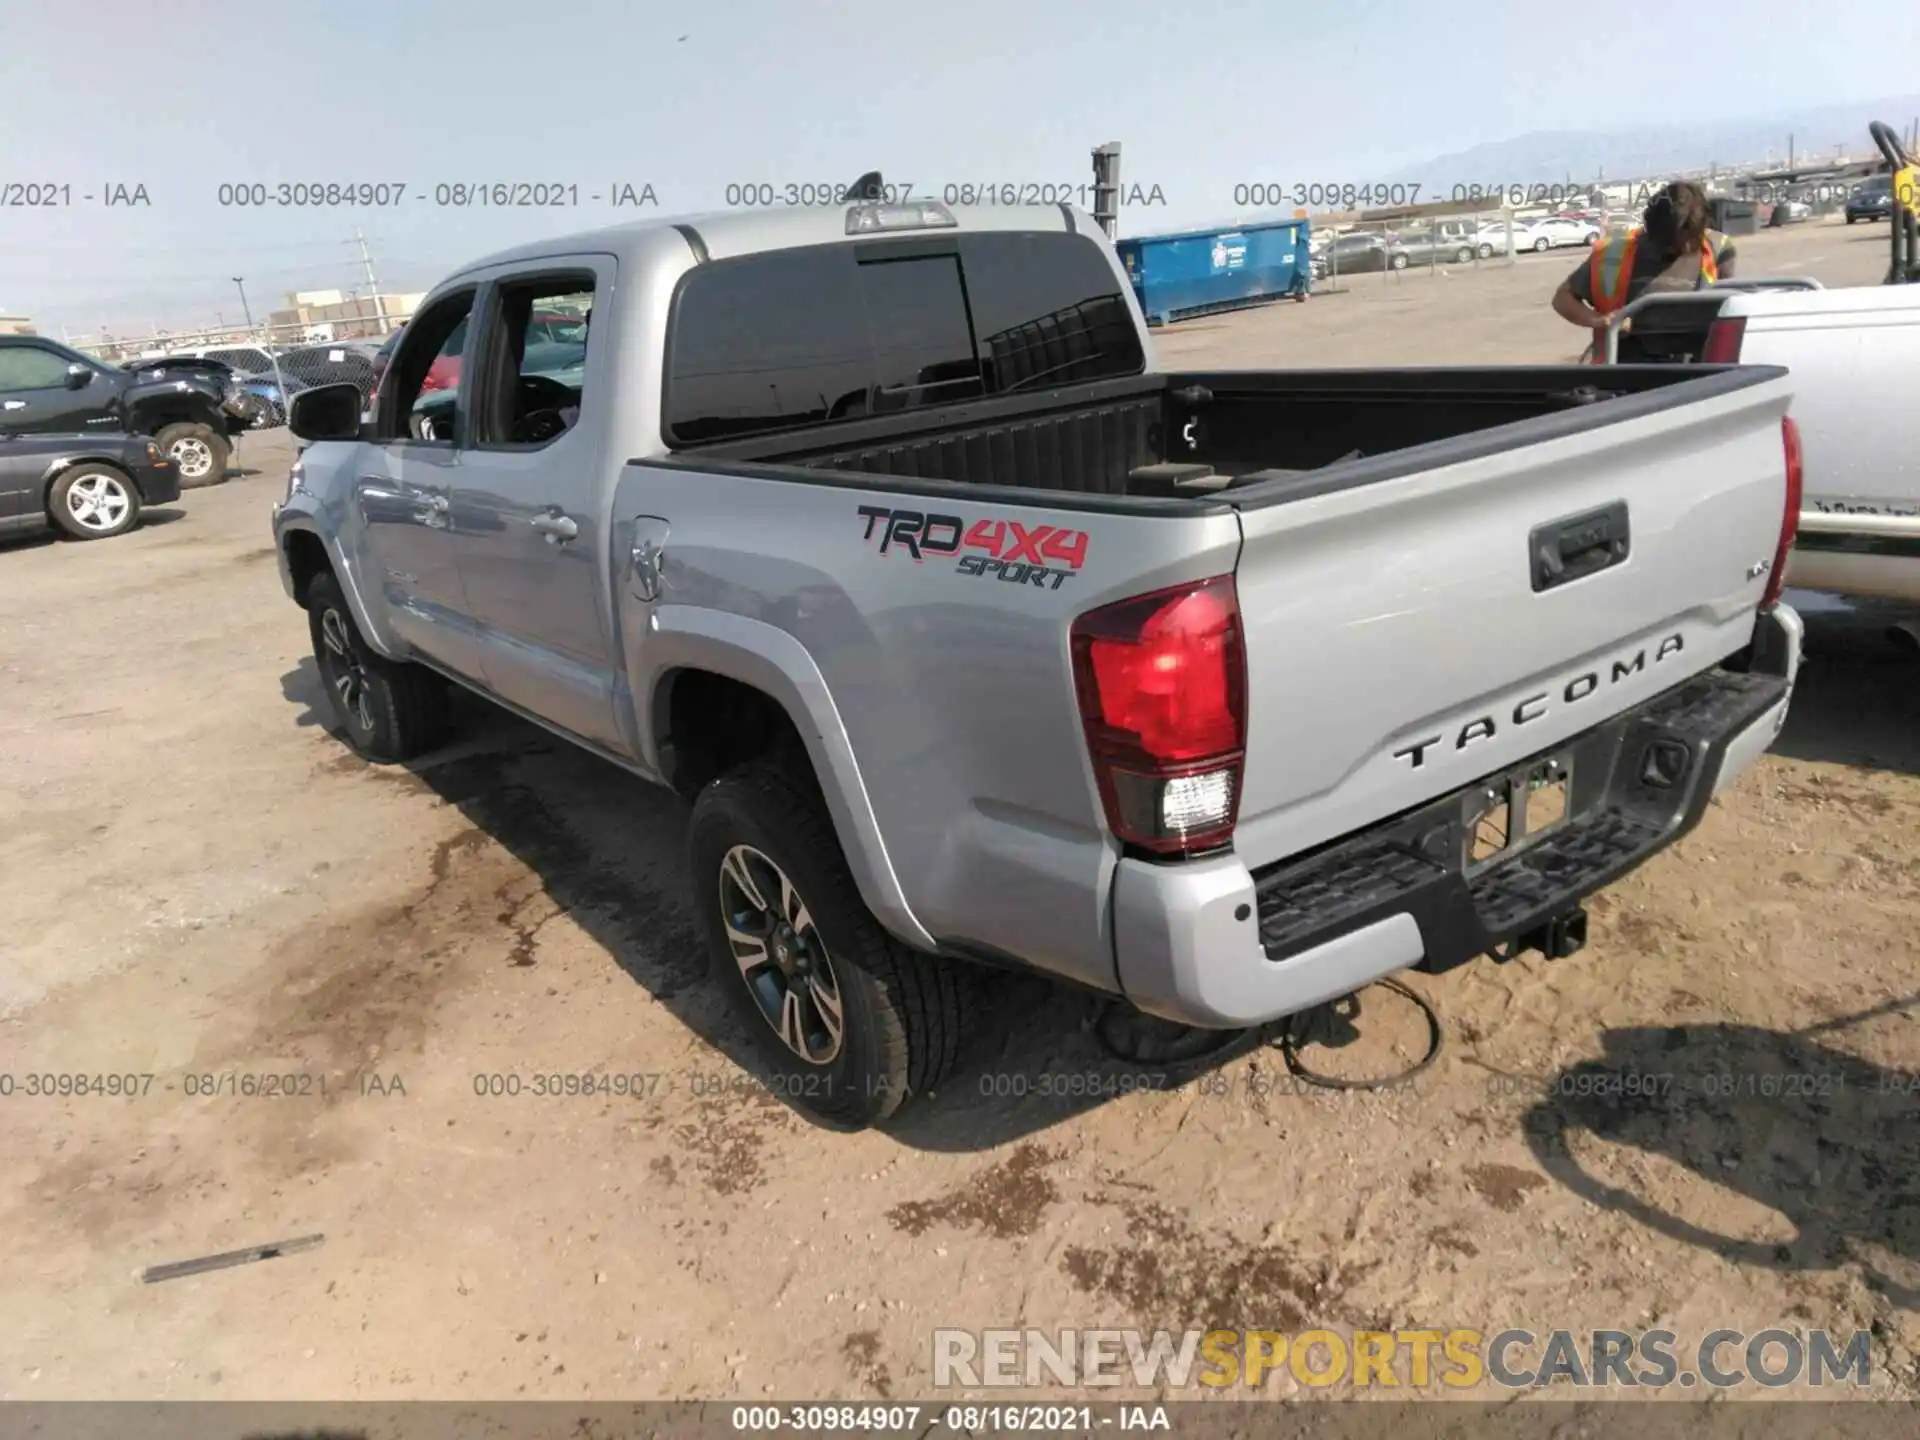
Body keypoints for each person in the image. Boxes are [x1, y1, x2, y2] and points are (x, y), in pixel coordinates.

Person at [1552, 181, 1736, 361]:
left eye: (1693, 237)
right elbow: (1563, 298)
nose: (1687, 247)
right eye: (1674, 242)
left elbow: (1731, 306)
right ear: (1652, 231)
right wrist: (1601, 321)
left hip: (1698, 367)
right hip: (1631, 369)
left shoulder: (1720, 250)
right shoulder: (1614, 253)